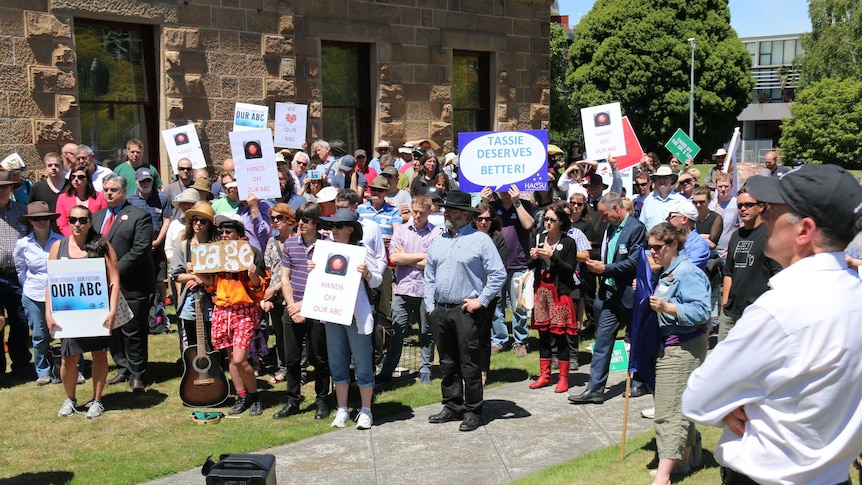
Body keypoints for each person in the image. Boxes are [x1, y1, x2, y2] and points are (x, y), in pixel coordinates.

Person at [683, 166, 862, 485]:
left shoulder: (780, 308)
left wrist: (728, 404)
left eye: (772, 210)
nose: (761, 217)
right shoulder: (853, 291)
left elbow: (699, 396)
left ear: (804, 230)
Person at [424, 190, 506, 432]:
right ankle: (452, 405)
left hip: (466, 310)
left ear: (464, 214)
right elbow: (429, 276)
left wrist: (480, 301)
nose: (446, 213)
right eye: (445, 209)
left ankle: (473, 410)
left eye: (450, 210)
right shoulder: (438, 240)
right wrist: (430, 306)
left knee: (469, 362)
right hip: (441, 310)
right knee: (447, 361)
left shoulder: (480, 240)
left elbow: (499, 274)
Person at [645, 222, 711, 485]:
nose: (653, 252)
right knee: (682, 407)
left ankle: (663, 476)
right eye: (649, 247)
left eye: (657, 247)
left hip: (683, 347)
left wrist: (667, 307)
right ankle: (686, 461)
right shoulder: (667, 272)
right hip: (672, 346)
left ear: (673, 245)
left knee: (668, 411)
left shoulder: (687, 273)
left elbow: (702, 312)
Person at [569, 192, 647, 404]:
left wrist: (605, 269)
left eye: (604, 215)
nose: (602, 219)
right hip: (608, 296)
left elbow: (633, 262)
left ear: (616, 209)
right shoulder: (610, 228)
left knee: (637, 341)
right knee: (602, 341)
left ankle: (639, 382)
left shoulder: (636, 229)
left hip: (629, 295)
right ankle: (595, 389)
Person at [47, 205, 121, 419]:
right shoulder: (58, 247)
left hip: (96, 312)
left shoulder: (102, 245)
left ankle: (97, 400)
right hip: (68, 315)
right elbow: (50, 282)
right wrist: (49, 313)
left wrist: (112, 310)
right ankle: (70, 398)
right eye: (72, 220)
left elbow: (114, 280)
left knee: (99, 355)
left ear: (90, 222)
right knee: (68, 359)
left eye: (82, 220)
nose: (77, 224)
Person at [312, 208, 381, 429]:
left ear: (351, 229)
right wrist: (314, 270)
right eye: (332, 226)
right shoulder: (325, 251)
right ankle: (342, 409)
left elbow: (378, 280)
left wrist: (367, 273)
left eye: (339, 226)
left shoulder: (362, 250)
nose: (335, 230)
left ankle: (366, 410)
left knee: (362, 363)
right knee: (337, 362)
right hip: (333, 313)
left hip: (356, 315)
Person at [199, 212, 268, 416]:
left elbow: (259, 289)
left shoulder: (251, 252)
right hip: (222, 309)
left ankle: (255, 397)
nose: (225, 235)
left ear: (239, 233)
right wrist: (199, 273)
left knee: (239, 358)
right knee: (231, 357)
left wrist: (253, 274)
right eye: (222, 232)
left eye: (229, 231)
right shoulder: (216, 254)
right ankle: (241, 396)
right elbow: (212, 285)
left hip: (243, 309)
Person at [94, 173, 155, 392]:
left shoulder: (140, 216)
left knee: (133, 329)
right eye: (106, 190)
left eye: (114, 190)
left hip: (132, 283)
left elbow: (139, 250)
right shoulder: (97, 216)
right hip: (104, 284)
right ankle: (122, 367)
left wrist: (114, 273)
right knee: (112, 329)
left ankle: (137, 373)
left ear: (123, 191)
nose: (109, 193)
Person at [274, 202, 331, 421]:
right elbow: (285, 278)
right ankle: (293, 401)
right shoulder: (290, 244)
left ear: (316, 223)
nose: (300, 224)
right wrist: (291, 306)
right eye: (299, 220)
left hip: (316, 309)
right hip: (293, 307)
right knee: (292, 358)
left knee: (319, 358)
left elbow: (327, 282)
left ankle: (322, 401)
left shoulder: (327, 246)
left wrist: (305, 306)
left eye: (305, 220)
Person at [379, 194, 442, 385]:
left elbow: (433, 263)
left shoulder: (436, 233)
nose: (417, 215)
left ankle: (425, 368)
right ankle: (387, 370)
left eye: (421, 212)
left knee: (427, 331)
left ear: (429, 211)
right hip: (404, 288)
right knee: (397, 331)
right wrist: (422, 256)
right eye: (414, 211)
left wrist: (408, 257)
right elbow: (395, 259)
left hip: (426, 290)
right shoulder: (402, 231)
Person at [526, 203, 586, 393]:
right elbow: (529, 265)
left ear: (561, 222)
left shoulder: (568, 242)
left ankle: (563, 378)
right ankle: (544, 375)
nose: (548, 223)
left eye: (552, 220)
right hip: (541, 291)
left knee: (561, 337)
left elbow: (570, 269)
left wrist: (553, 256)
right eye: (546, 219)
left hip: (559, 292)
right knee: (543, 335)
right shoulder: (538, 237)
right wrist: (534, 256)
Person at [717, 188, 782, 342]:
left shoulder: (770, 234)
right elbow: (729, 273)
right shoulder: (735, 236)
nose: (743, 209)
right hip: (731, 313)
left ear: (761, 207)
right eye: (740, 206)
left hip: (757, 313)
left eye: (748, 205)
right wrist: (725, 305)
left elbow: (778, 276)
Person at [481, 184, 535, 357]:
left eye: (508, 186)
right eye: (502, 187)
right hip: (495, 265)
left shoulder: (524, 204)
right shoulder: (492, 206)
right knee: (496, 305)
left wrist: (516, 202)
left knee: (519, 305)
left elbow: (528, 224)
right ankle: (499, 339)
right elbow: (480, 224)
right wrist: (483, 201)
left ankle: (520, 341)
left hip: (518, 263)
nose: (505, 191)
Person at [13, 202, 64, 385]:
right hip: (34, 294)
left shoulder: (60, 241)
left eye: (45, 218)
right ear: (30, 222)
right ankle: (43, 371)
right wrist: (29, 287)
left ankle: (72, 368)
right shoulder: (22, 244)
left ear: (50, 219)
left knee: (65, 332)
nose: (41, 222)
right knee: (39, 334)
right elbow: (21, 269)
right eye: (36, 219)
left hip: (58, 293)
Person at [169, 201, 217, 353]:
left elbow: (217, 277)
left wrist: (197, 276)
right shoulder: (183, 246)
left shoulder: (216, 247)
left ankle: (215, 372)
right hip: (190, 299)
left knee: (211, 340)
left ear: (209, 224)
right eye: (195, 220)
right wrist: (194, 277)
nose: (198, 224)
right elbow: (176, 274)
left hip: (212, 299)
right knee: (191, 341)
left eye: (202, 221)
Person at [127, 167, 172, 323]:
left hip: (157, 247)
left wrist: (158, 241)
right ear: (136, 181)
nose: (145, 183)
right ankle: (142, 315)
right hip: (137, 249)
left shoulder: (162, 198)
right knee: (139, 281)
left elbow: (167, 220)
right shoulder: (129, 199)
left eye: (148, 181)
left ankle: (161, 315)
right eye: (142, 181)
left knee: (159, 281)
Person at [260, 203, 296, 387]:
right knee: (280, 334)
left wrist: (276, 288)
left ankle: (299, 370)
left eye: (279, 217)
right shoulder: (271, 243)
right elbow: (268, 270)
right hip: (275, 296)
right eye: (272, 218)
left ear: (288, 218)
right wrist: (268, 293)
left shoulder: (298, 240)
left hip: (294, 293)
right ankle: (284, 369)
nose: (275, 221)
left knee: (297, 334)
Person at [0, 170, 30, 383]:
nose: (1, 191)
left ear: (11, 189)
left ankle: (21, 364)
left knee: (20, 320)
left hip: (18, 276)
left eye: (4, 187)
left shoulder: (22, 212)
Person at [472, 202, 507, 386]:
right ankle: (470, 369)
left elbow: (499, 269)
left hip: (490, 293)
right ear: (474, 220)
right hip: (469, 292)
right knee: (469, 334)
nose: (483, 222)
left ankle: (483, 370)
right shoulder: (468, 237)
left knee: (484, 333)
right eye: (480, 219)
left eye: (487, 219)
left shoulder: (497, 239)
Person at [56, 163, 107, 236]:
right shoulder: (63, 198)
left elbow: (104, 221)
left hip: (94, 238)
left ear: (88, 179)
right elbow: (62, 224)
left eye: (80, 177)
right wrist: (75, 238)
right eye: (73, 176)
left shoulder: (100, 197)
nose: (76, 179)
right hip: (71, 239)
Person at [28, 152, 69, 233]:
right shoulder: (37, 188)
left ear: (62, 167)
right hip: (45, 233)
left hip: (67, 232)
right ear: (45, 168)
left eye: (56, 165)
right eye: (50, 165)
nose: (53, 168)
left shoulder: (70, 186)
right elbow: (31, 212)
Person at [665, 200, 711, 271]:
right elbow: (647, 258)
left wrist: (661, 261)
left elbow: (684, 269)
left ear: (684, 219)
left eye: (670, 215)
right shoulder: (667, 238)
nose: (667, 219)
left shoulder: (699, 245)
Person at [639, 166, 686, 231]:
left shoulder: (681, 201)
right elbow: (642, 224)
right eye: (659, 177)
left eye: (665, 177)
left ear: (671, 179)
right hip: (652, 239)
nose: (662, 180)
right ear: (656, 180)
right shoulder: (649, 201)